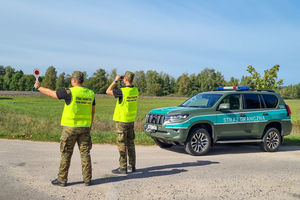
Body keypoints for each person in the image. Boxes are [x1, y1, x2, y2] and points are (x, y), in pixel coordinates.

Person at [34, 71, 95, 187]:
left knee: (66, 153)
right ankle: (87, 179)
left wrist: (38, 87)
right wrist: (90, 125)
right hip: (85, 127)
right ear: (82, 80)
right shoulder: (90, 93)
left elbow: (51, 93)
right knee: (85, 153)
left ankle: (62, 179)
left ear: (73, 80)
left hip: (70, 128)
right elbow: (93, 111)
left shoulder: (69, 92)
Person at [106, 71, 139, 174]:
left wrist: (115, 80)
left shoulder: (122, 91)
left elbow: (108, 91)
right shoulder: (135, 90)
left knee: (121, 144)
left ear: (125, 79)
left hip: (121, 121)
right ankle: (132, 166)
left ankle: (123, 167)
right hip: (130, 120)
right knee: (130, 143)